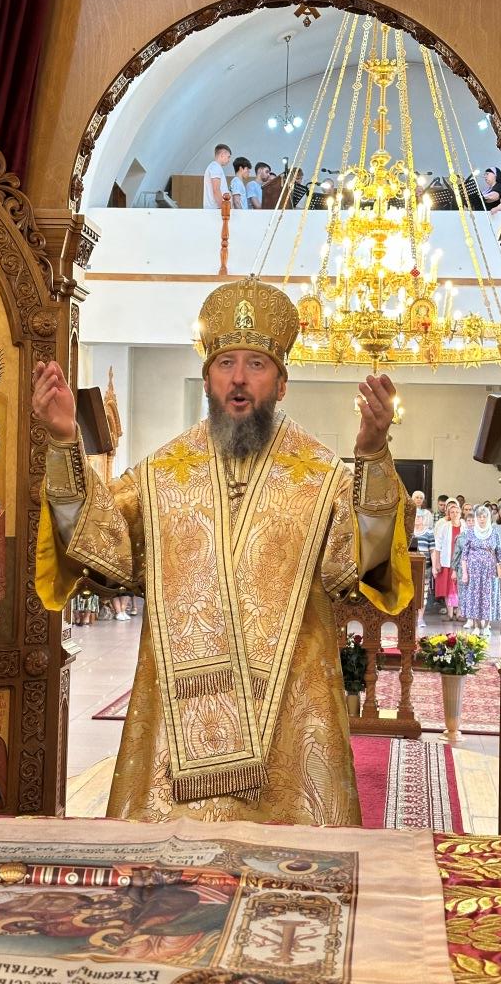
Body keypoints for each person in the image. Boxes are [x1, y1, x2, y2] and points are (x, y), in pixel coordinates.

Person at [34, 277, 414, 826]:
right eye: (225, 363)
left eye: (256, 364)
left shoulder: (321, 477)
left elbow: (363, 565)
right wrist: (64, 442)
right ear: (208, 378)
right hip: (176, 724)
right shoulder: (161, 474)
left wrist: (372, 456)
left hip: (292, 717)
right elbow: (99, 545)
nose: (239, 378)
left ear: (281, 384)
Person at [460, 505, 501, 636]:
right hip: (474, 572)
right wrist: (465, 572)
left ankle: (487, 625)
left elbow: (499, 553)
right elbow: (464, 555)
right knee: (475, 597)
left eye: (484, 516)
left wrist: (500, 569)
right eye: (479, 517)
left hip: (490, 571)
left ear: (488, 518)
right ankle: (477, 626)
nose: (482, 519)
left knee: (488, 597)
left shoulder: (494, 532)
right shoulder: (470, 532)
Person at [433, 498, 464, 620]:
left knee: (460, 588)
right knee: (447, 587)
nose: (455, 514)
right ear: (449, 514)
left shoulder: (465, 526)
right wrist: (437, 562)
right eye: (452, 512)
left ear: (460, 513)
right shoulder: (444, 526)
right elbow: (438, 546)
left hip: (461, 563)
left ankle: (459, 613)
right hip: (446, 561)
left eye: (457, 512)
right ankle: (450, 614)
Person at [411, 491, 434, 633]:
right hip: (409, 566)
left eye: (420, 517)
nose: (418, 519)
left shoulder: (429, 532)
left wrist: (435, 565)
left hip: (425, 567)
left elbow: (433, 550)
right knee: (410, 592)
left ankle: (420, 618)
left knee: (423, 592)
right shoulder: (408, 532)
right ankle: (410, 617)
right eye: (416, 517)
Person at [202, 144, 231, 210]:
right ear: (222, 155)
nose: (229, 160)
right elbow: (216, 190)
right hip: (216, 210)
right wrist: (224, 209)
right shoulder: (215, 167)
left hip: (216, 209)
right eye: (228, 157)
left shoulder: (215, 167)